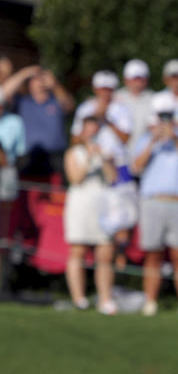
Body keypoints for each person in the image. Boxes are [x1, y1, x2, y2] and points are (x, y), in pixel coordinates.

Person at [130, 94, 178, 317]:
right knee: (152, 254)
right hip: (153, 202)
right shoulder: (147, 138)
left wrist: (177, 140)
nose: (165, 120)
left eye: (169, 116)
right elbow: (136, 167)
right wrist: (153, 141)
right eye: (162, 116)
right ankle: (150, 302)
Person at [62, 116, 117, 314]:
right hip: (80, 205)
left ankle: (105, 299)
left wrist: (102, 159)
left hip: (101, 206)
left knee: (105, 252)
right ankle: (79, 298)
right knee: (77, 251)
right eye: (89, 129)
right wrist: (88, 158)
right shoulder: (73, 153)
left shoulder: (105, 154)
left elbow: (112, 178)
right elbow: (75, 178)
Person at [6, 66, 73, 179]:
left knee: (56, 195)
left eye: (42, 78)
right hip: (29, 159)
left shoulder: (56, 100)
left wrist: (55, 85)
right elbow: (4, 94)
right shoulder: (23, 102)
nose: (40, 82)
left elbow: (69, 106)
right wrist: (24, 74)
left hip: (55, 159)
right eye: (35, 78)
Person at [71, 71, 132, 170]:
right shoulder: (85, 109)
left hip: (118, 163)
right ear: (95, 89)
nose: (105, 93)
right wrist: (94, 119)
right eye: (102, 89)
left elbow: (126, 139)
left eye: (109, 89)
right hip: (91, 162)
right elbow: (75, 140)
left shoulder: (122, 109)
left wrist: (106, 120)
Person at [0, 96, 26, 294]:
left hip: (6, 175)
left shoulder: (14, 121)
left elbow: (18, 155)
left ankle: (4, 283)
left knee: (5, 231)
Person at [114, 59, 155, 156]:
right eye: (135, 78)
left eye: (141, 78)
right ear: (126, 80)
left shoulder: (155, 99)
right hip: (119, 156)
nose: (138, 82)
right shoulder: (115, 98)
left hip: (146, 155)